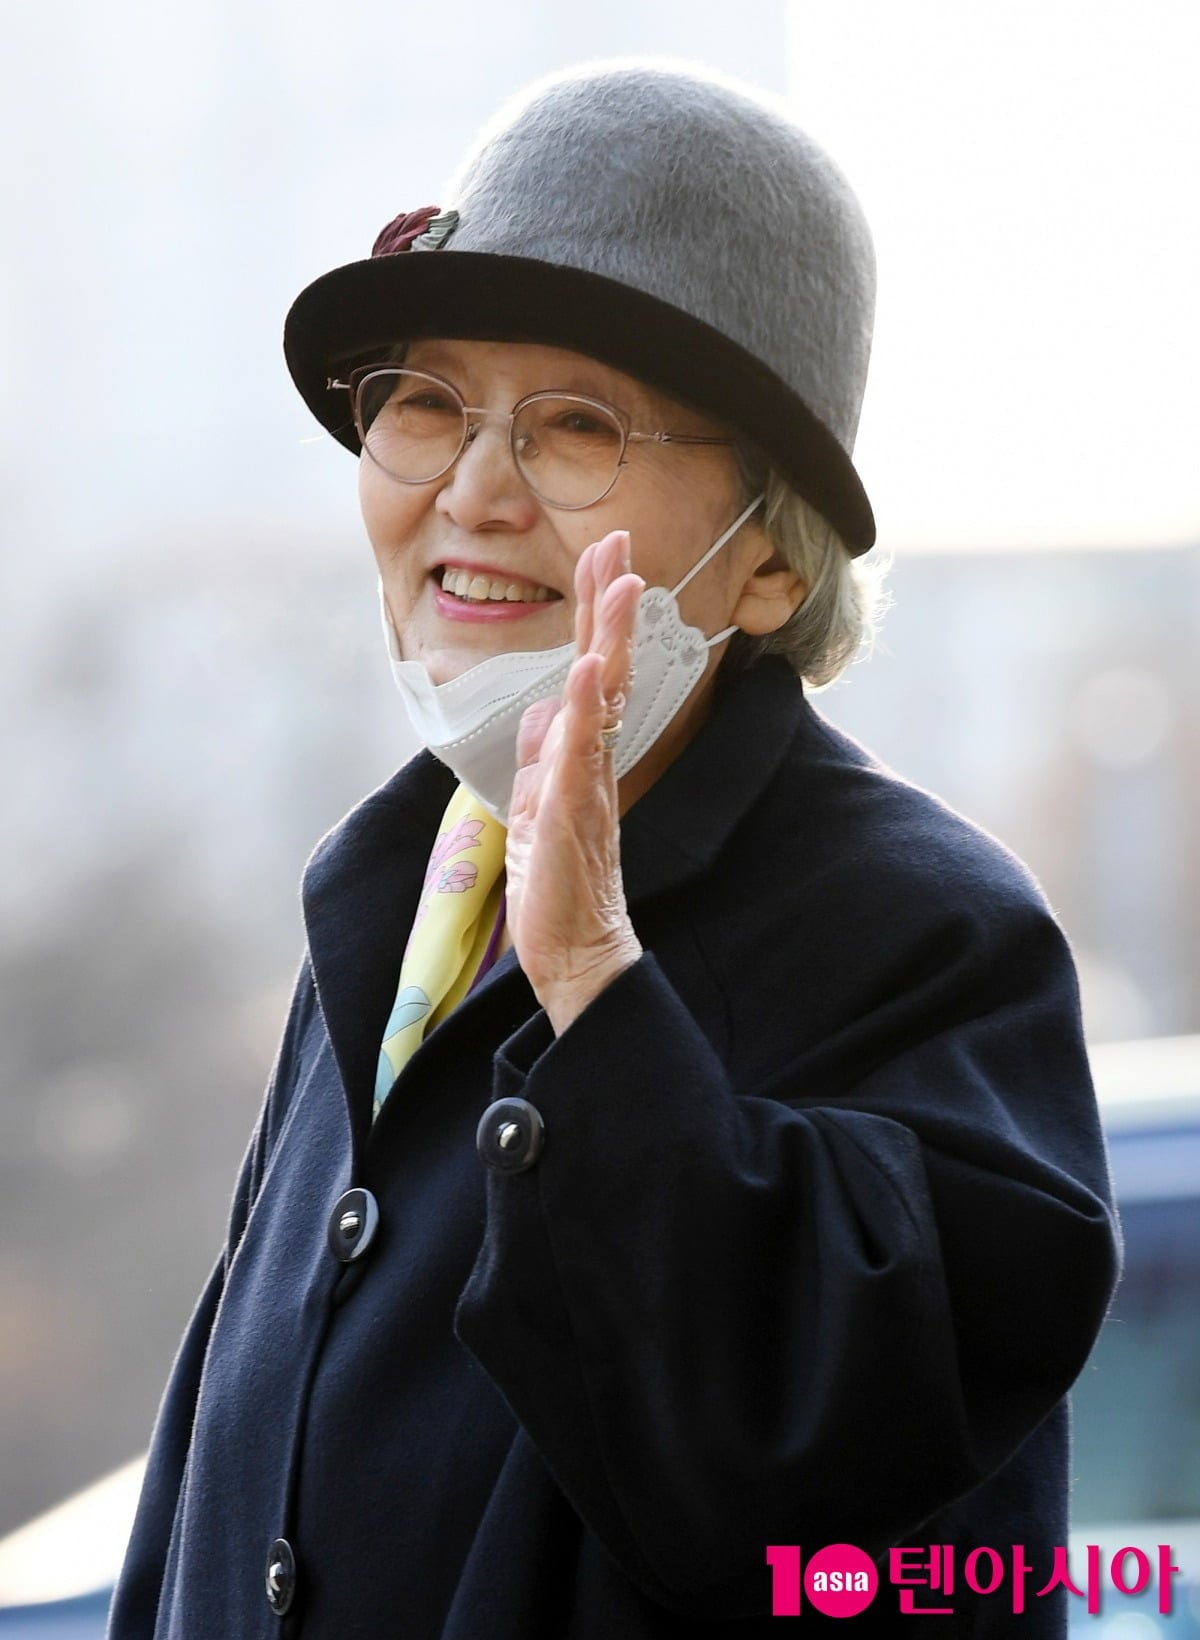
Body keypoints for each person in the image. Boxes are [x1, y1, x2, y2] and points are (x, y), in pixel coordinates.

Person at [107, 61, 1120, 1640]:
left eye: (575, 425)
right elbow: (213, 1515)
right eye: (426, 404)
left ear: (771, 565)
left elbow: (813, 1494)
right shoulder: (402, 900)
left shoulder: (927, 935)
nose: (473, 492)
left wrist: (591, 981)